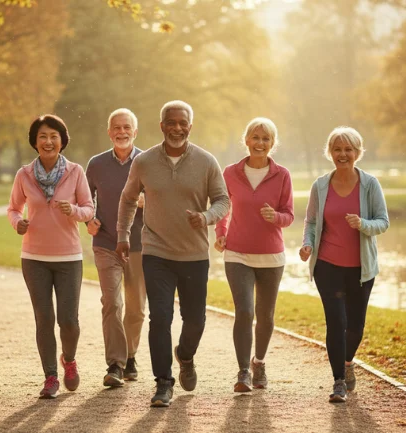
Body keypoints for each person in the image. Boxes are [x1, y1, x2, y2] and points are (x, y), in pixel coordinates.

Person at [116, 100, 230, 407]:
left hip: (194, 254)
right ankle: (163, 383)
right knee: (160, 317)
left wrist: (206, 217)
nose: (177, 128)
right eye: (171, 122)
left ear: (190, 127)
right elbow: (128, 200)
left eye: (183, 123)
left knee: (195, 320)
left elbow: (223, 201)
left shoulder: (206, 162)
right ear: (162, 125)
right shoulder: (145, 162)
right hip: (156, 251)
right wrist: (124, 235)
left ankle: (185, 355)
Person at [299, 126, 389, 403]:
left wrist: (362, 224)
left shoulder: (370, 184)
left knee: (355, 326)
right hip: (327, 265)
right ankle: (338, 380)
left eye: (348, 149)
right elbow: (312, 221)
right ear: (330, 153)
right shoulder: (321, 186)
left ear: (357, 153)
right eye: (337, 149)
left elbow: (383, 222)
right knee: (336, 322)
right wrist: (308, 244)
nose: (342, 154)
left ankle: (348, 362)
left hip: (361, 269)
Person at [8, 114, 94, 399]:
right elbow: (13, 208)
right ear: (35, 141)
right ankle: (50, 377)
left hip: (69, 257)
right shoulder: (24, 175)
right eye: (43, 136)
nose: (48, 141)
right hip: (34, 258)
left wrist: (75, 211)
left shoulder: (75, 171)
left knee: (68, 320)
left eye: (54, 136)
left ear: (62, 141)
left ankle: (68, 360)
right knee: (44, 318)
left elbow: (89, 208)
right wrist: (17, 222)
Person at [214, 117, 293, 392]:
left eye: (266, 139)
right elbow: (222, 206)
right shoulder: (230, 172)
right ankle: (243, 372)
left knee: (266, 315)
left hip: (271, 255)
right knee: (245, 311)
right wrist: (220, 232)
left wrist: (276, 217)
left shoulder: (282, 175)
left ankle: (259, 362)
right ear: (246, 140)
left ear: (273, 144)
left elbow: (289, 215)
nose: (260, 143)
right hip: (237, 253)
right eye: (255, 138)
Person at [85, 108, 146, 387]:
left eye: (126, 127)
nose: (121, 132)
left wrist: (150, 200)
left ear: (135, 131)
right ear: (109, 132)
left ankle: (131, 356)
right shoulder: (96, 164)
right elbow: (84, 199)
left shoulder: (148, 162)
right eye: (116, 128)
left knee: (135, 308)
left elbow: (167, 198)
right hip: (106, 243)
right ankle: (115, 365)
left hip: (140, 245)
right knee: (112, 303)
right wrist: (89, 219)